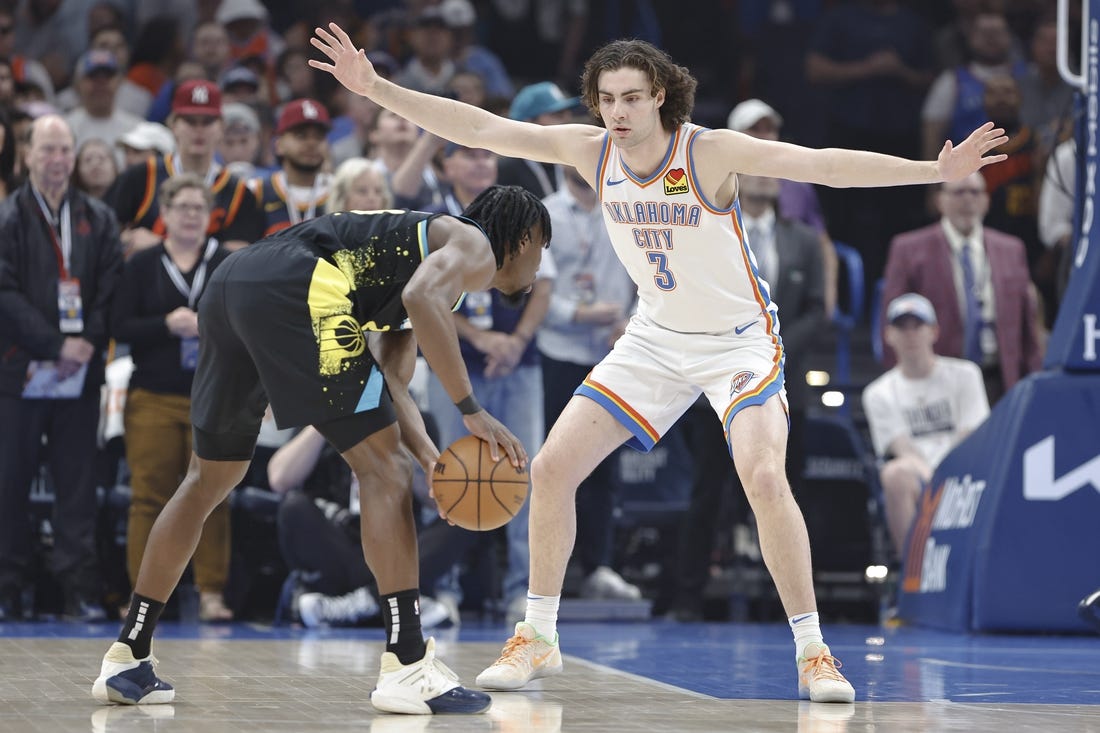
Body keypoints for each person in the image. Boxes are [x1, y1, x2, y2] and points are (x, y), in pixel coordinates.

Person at [310, 24, 1007, 703]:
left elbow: (822, 164)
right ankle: (538, 634)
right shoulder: (591, 151)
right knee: (550, 468)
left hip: (738, 341)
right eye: (607, 97)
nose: (617, 111)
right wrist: (375, 88)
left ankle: (813, 649)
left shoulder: (710, 153)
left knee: (764, 476)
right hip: (655, 338)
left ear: (661, 98)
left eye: (632, 97)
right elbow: (481, 128)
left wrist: (931, 171)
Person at [92, 183, 551, 716]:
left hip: (233, 283)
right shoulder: (472, 244)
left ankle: (127, 655)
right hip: (300, 283)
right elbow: (421, 299)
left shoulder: (427, 263)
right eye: (543, 246)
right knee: (382, 472)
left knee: (209, 479)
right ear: (521, 239)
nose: (542, 264)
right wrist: (471, 408)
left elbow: (392, 386)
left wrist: (432, 461)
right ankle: (407, 664)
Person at [0, 114, 124, 621]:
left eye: (65, 151)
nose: (58, 161)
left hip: (79, 375)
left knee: (78, 486)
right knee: (11, 482)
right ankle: (9, 586)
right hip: (21, 372)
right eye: (48, 150)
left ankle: (79, 589)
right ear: (27, 154)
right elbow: (3, 292)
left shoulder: (97, 216)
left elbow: (109, 285)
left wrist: (86, 342)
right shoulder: (8, 217)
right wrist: (53, 344)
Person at [109, 174, 234, 623]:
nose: (189, 215)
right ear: (164, 215)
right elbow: (119, 325)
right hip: (153, 396)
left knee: (213, 496)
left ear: (210, 215)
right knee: (149, 497)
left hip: (212, 395)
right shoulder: (142, 264)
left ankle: (211, 593)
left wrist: (208, 326)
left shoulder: (224, 262)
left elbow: (244, 324)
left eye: (197, 208)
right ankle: (141, 598)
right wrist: (167, 324)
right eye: (181, 207)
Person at [536, 164, 641, 602]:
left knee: (605, 466)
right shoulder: (545, 213)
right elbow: (531, 283)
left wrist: (634, 327)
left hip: (612, 354)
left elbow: (650, 275)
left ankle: (599, 565)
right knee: (553, 464)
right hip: (558, 351)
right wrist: (576, 314)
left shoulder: (628, 207)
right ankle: (545, 576)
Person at [881, 172, 1042, 404]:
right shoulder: (908, 249)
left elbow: (1028, 327)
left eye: (975, 192)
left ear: (986, 201)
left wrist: (1033, 379)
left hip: (1000, 378)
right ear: (940, 201)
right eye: (958, 192)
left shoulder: (1012, 249)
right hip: (938, 381)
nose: (968, 200)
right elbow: (892, 321)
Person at [862, 293, 990, 560]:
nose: (910, 335)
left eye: (917, 326)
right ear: (888, 335)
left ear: (933, 331)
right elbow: (902, 449)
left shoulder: (966, 375)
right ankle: (913, 573)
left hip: (965, 472)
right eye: (902, 327)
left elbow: (971, 435)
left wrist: (945, 474)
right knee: (894, 475)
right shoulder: (878, 393)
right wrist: (933, 479)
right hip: (918, 477)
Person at [252, 98, 333, 237]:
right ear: (278, 145)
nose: (311, 143)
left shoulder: (340, 190)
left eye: (319, 137)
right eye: (301, 136)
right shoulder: (256, 191)